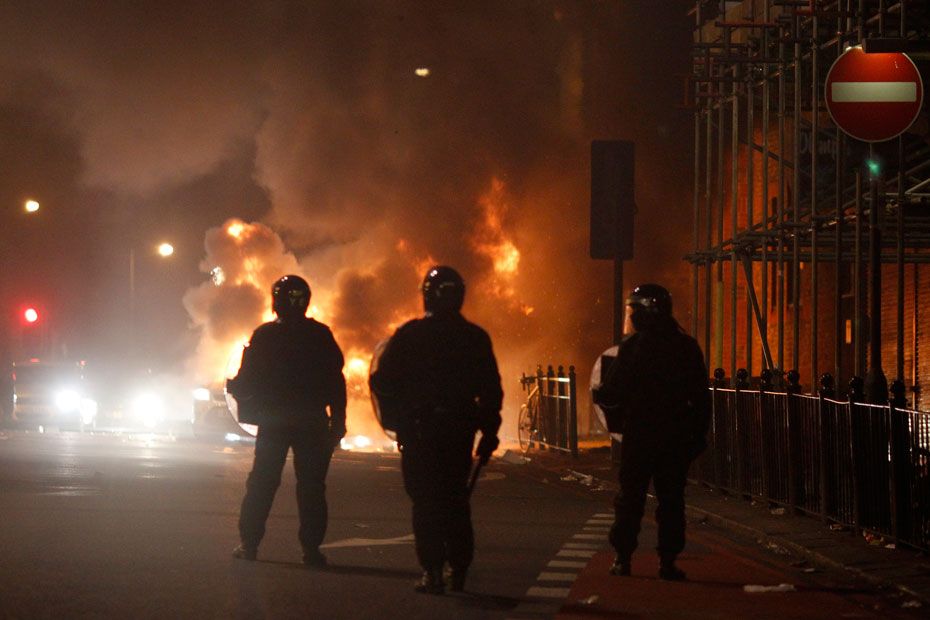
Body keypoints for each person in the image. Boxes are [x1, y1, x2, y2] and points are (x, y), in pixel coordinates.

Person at [369, 266, 503, 595]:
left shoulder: (410, 335)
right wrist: (489, 431)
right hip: (459, 432)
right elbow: (490, 391)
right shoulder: (474, 337)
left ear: (427, 296)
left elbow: (382, 382)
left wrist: (399, 417)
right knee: (456, 499)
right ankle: (459, 568)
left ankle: (432, 571)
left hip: (419, 432)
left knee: (425, 502)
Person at [227, 274, 347, 567]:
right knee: (311, 488)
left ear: (276, 301)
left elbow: (248, 379)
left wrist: (234, 387)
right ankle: (311, 550)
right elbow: (336, 381)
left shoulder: (265, 335)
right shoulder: (320, 335)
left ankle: (249, 543)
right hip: (312, 421)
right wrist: (338, 421)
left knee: (262, 483)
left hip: (274, 421)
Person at [593, 283, 709, 581]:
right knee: (671, 501)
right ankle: (668, 562)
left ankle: (623, 558)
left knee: (630, 499)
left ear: (648, 310)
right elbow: (700, 397)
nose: (632, 316)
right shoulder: (686, 347)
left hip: (640, 436)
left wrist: (602, 395)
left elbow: (614, 390)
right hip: (675, 438)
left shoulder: (634, 347)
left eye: (634, 309)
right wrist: (698, 437)